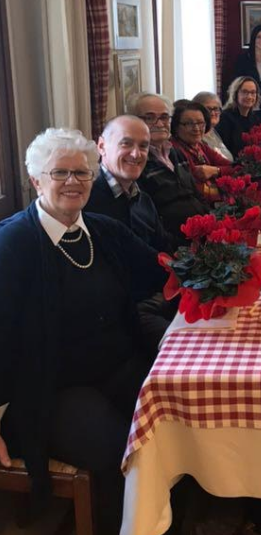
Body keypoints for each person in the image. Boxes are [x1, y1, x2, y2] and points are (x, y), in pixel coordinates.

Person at [0, 128, 165, 535]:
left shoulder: (103, 230)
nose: (74, 182)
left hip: (118, 366)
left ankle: (169, 516)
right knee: (116, 447)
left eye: (83, 173)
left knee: (176, 416)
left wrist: (225, 273)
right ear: (36, 180)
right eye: (60, 173)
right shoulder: (13, 244)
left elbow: (162, 271)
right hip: (51, 388)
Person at [86, 115, 172, 253]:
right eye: (126, 143)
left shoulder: (144, 200)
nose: (136, 154)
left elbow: (164, 251)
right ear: (101, 146)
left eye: (143, 146)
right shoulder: (84, 198)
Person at [129, 92, 209, 240]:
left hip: (201, 235)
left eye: (164, 117)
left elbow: (197, 195)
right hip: (176, 247)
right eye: (150, 117)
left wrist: (211, 223)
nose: (159, 124)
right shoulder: (136, 161)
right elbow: (149, 219)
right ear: (133, 121)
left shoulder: (175, 153)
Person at [170, 99, 233, 204]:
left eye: (200, 123)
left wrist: (215, 170)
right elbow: (195, 190)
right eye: (189, 124)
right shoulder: (174, 150)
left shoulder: (200, 146)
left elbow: (235, 168)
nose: (196, 128)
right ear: (176, 126)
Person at [234, 24, 261, 116]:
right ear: (254, 39)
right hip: (245, 107)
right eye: (259, 37)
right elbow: (236, 85)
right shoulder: (243, 60)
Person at [217, 76, 261, 159]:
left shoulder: (256, 119)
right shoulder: (224, 118)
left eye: (253, 93)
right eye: (244, 92)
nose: (249, 97)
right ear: (235, 94)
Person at [192, 91, 234, 161]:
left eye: (216, 108)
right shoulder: (195, 137)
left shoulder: (214, 132)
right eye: (208, 109)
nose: (213, 113)